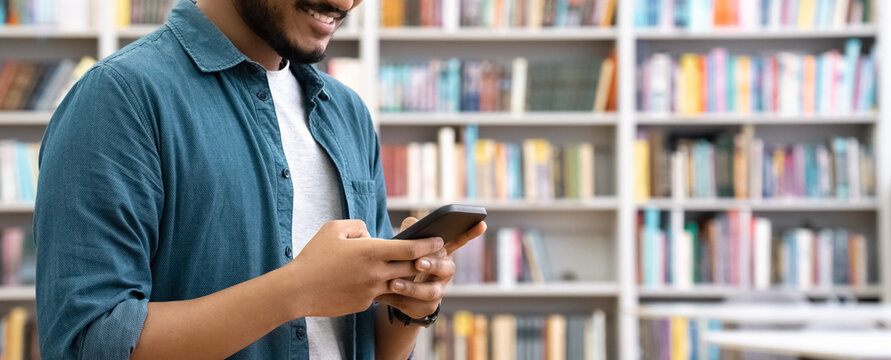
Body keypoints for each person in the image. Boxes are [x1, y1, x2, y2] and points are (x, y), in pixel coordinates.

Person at [34, 0, 486, 358]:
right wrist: (297, 290)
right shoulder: (119, 97)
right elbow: (89, 342)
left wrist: (408, 304)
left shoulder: (347, 113)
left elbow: (364, 342)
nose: (347, 2)